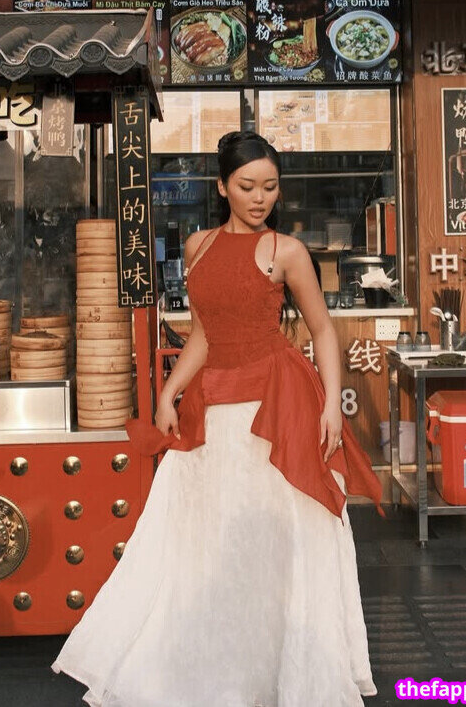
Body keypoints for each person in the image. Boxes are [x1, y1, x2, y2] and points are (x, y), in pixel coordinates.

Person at [53, 131, 383, 707]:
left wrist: (332, 401)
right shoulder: (199, 245)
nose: (260, 198)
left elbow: (322, 329)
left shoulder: (287, 251)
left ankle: (282, 671)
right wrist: (169, 392)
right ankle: (221, 665)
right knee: (208, 540)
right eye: (247, 186)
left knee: (274, 540)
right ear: (222, 187)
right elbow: (205, 333)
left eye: (270, 187)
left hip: (276, 406)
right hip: (214, 408)